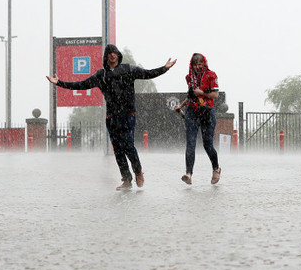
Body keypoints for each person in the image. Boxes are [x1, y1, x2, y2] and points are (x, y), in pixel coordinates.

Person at [47, 44, 176, 190]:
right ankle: (126, 179)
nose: (112, 55)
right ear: (106, 56)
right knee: (118, 148)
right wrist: (59, 83)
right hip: (112, 116)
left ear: (118, 55)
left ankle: (138, 171)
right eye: (109, 53)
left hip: (128, 113)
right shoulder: (101, 75)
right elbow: (81, 85)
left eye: (114, 52)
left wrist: (165, 68)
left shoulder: (128, 69)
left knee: (128, 144)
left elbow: (148, 74)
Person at [174, 53, 221, 185]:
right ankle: (188, 174)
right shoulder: (189, 77)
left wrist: (202, 93)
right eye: (195, 64)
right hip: (191, 112)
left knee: (208, 145)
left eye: (200, 64)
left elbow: (215, 95)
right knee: (190, 143)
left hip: (206, 112)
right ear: (192, 65)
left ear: (204, 63)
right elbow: (191, 95)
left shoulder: (212, 75)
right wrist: (181, 106)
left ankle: (216, 168)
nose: (198, 67)